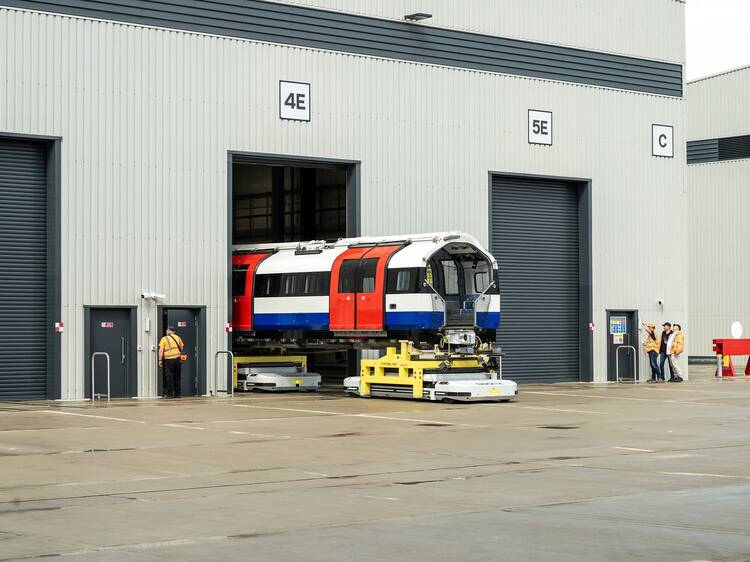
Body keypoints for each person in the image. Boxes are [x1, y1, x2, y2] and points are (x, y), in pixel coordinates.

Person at [158, 326, 184, 398]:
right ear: (174, 331)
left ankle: (170, 394)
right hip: (178, 359)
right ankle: (178, 394)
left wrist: (160, 360)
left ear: (169, 331)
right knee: (177, 377)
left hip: (169, 360)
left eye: (167, 330)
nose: (166, 331)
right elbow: (181, 348)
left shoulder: (164, 339)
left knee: (169, 377)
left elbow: (161, 350)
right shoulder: (178, 338)